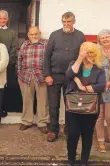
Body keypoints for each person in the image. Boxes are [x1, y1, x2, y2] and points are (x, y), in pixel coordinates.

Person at [44, 11, 85, 142]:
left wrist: (81, 77)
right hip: (54, 76)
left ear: (74, 22)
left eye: (69, 21)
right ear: (62, 22)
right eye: (64, 21)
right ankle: (53, 130)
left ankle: (69, 129)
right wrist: (47, 74)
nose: (66, 24)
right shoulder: (54, 35)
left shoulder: (80, 36)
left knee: (70, 104)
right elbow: (47, 56)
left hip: (72, 77)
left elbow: (83, 57)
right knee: (53, 105)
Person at [65, 42, 106, 166]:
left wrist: (82, 87)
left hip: (91, 107)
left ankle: (84, 162)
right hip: (73, 106)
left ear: (95, 54)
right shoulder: (74, 64)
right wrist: (79, 59)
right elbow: (69, 75)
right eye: (85, 52)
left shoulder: (99, 69)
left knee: (87, 135)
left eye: (91, 52)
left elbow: (101, 86)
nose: (88, 55)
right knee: (72, 134)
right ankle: (71, 161)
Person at [17, 27, 49, 134]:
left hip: (41, 76)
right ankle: (26, 121)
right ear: (28, 35)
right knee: (27, 100)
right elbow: (19, 59)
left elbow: (50, 59)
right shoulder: (25, 44)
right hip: (26, 77)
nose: (34, 36)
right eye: (31, 34)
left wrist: (48, 75)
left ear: (40, 34)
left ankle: (42, 122)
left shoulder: (46, 44)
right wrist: (19, 74)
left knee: (43, 101)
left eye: (36, 34)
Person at [0, 10, 17, 117]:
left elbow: (13, 48)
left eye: (4, 18)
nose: (2, 20)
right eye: (0, 18)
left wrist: (6, 62)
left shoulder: (12, 32)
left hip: (8, 64)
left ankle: (5, 108)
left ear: (7, 20)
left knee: (6, 86)